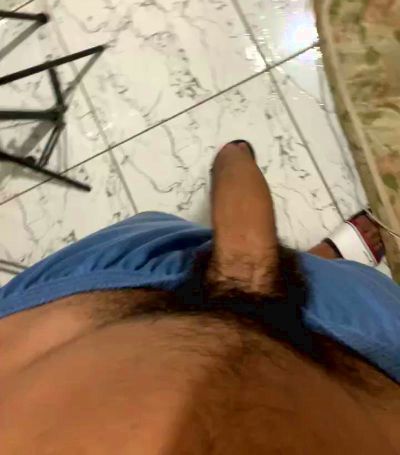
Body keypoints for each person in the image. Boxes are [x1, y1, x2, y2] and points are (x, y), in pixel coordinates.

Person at [0, 141, 399, 454]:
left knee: (186, 240)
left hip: (108, 290)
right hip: (364, 359)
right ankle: (312, 259)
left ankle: (238, 164)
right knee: (341, 290)